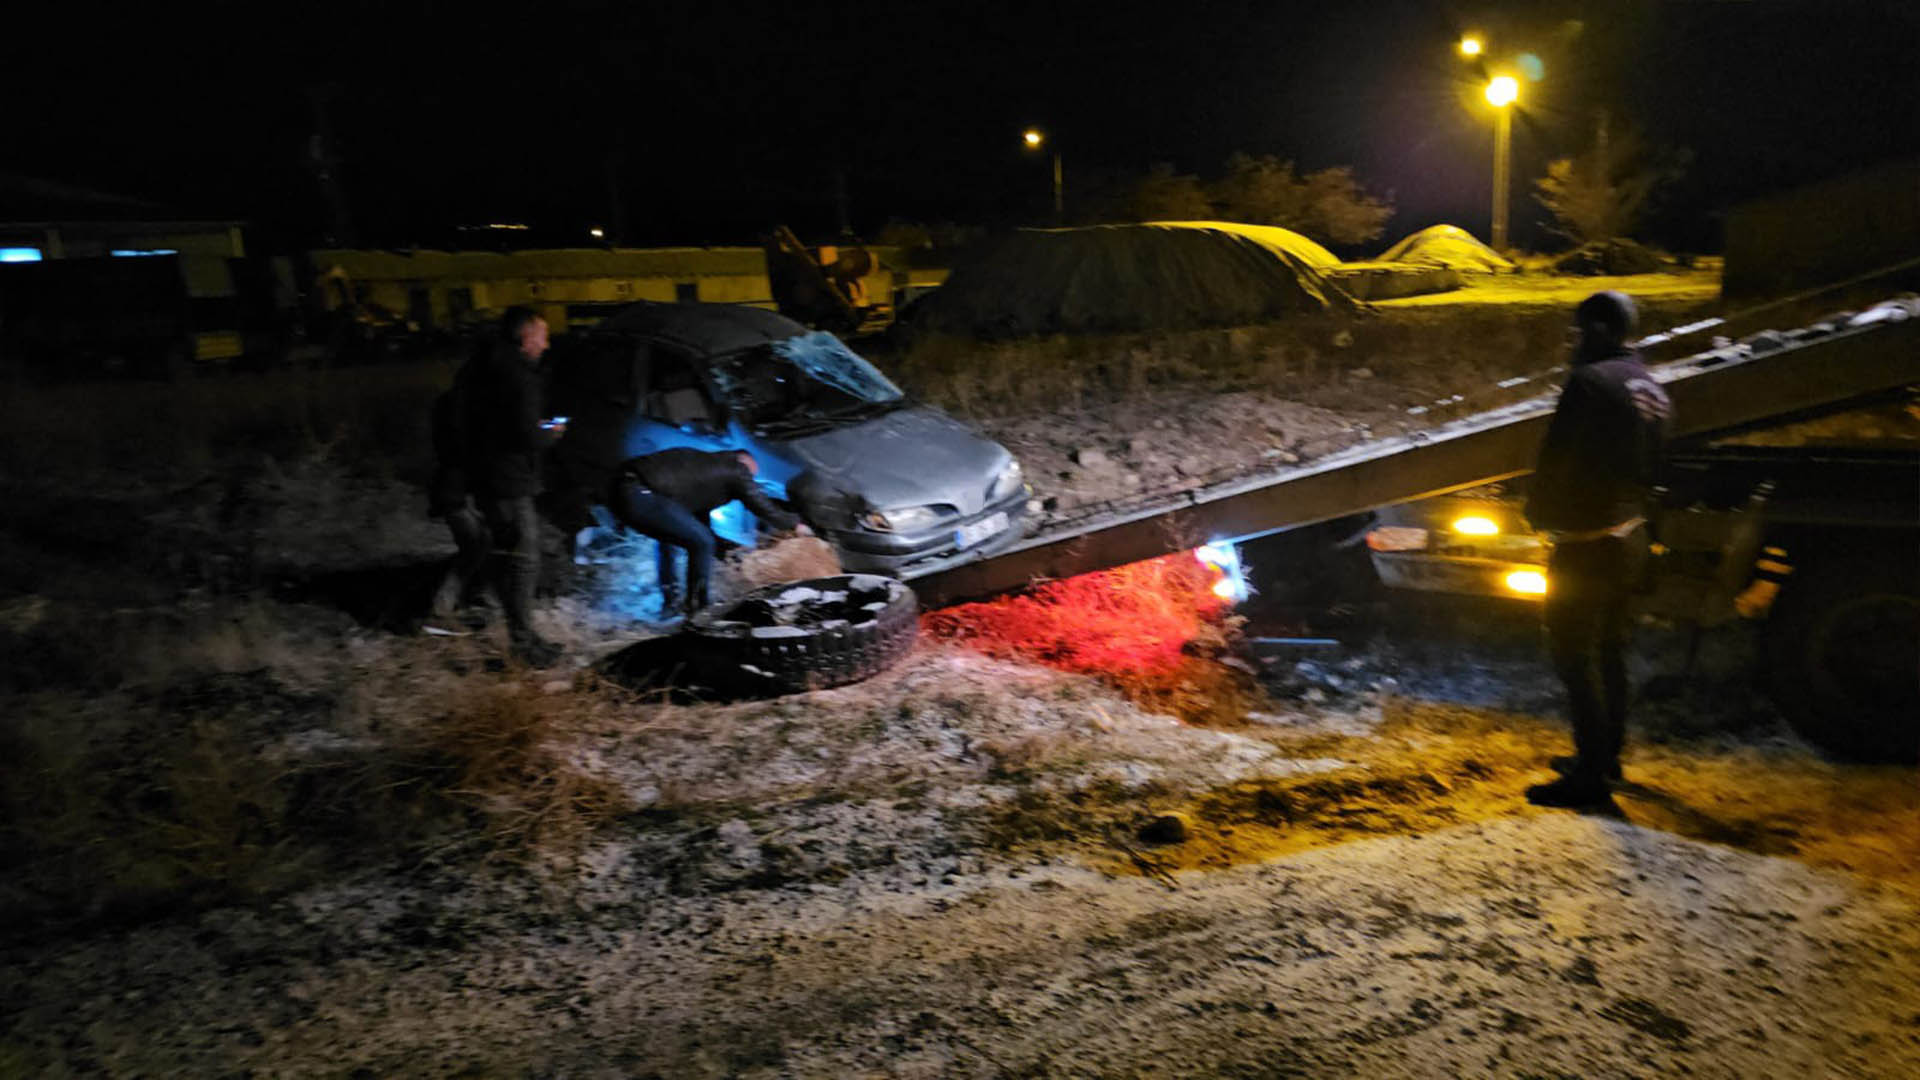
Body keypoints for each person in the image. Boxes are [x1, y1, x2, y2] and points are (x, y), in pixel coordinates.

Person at [1523, 290, 1672, 808]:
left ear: (1600, 330)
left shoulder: (1589, 382)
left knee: (1572, 653)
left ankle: (1589, 779)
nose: (1574, 342)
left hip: (1587, 543)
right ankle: (1606, 758)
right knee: (1609, 651)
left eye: (1580, 331)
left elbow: (1557, 457)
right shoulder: (1649, 384)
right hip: (1629, 537)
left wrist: (1538, 515)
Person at [430, 307, 566, 666]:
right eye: (542, 336)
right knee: (522, 560)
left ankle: (514, 631)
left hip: (489, 477)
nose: (546, 343)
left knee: (507, 555)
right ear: (526, 338)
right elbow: (525, 432)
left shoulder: (482, 368)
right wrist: (549, 434)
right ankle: (523, 644)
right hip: (507, 479)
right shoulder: (516, 376)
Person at [608, 448, 808, 617]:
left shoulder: (706, 470)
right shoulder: (736, 469)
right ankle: (699, 611)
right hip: (639, 492)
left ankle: (671, 604)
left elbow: (700, 526)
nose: (750, 480)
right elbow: (761, 505)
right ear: (744, 463)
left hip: (620, 487)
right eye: (751, 476)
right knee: (702, 543)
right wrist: (794, 524)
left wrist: (728, 558)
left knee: (675, 540)